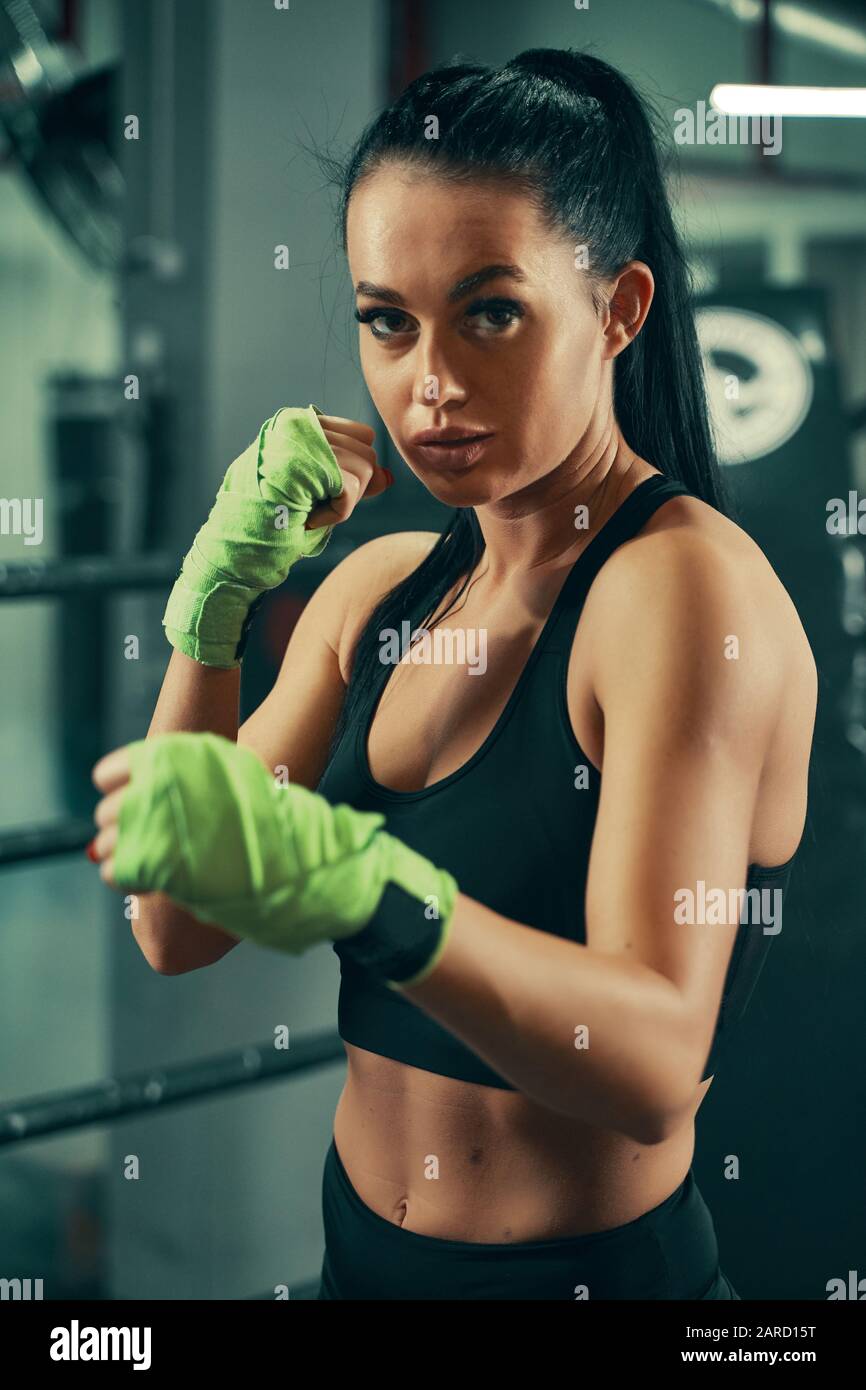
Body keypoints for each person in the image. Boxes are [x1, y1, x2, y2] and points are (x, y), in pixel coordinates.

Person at [87, 48, 817, 1300]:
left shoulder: (680, 593)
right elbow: (171, 921)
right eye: (386, 318)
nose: (429, 382)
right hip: (355, 1262)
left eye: (489, 311)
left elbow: (649, 1062)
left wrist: (368, 890)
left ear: (618, 308)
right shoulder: (379, 590)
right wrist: (211, 613)